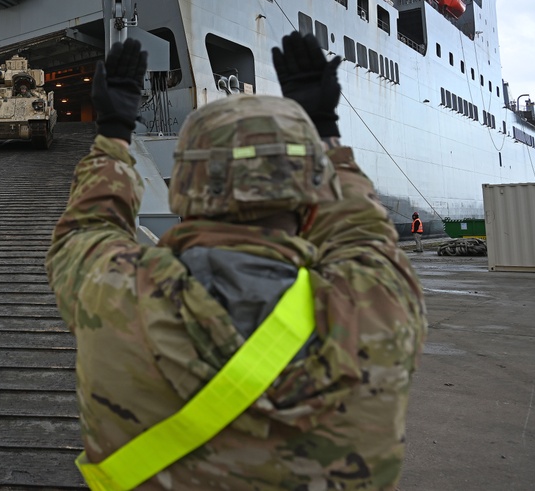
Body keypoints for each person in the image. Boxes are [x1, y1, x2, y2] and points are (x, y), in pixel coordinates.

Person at [46, 33, 427, 490]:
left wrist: (113, 132)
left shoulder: (112, 293)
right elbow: (361, 233)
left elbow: (87, 228)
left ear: (183, 186)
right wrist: (323, 129)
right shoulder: (376, 308)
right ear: (311, 197)